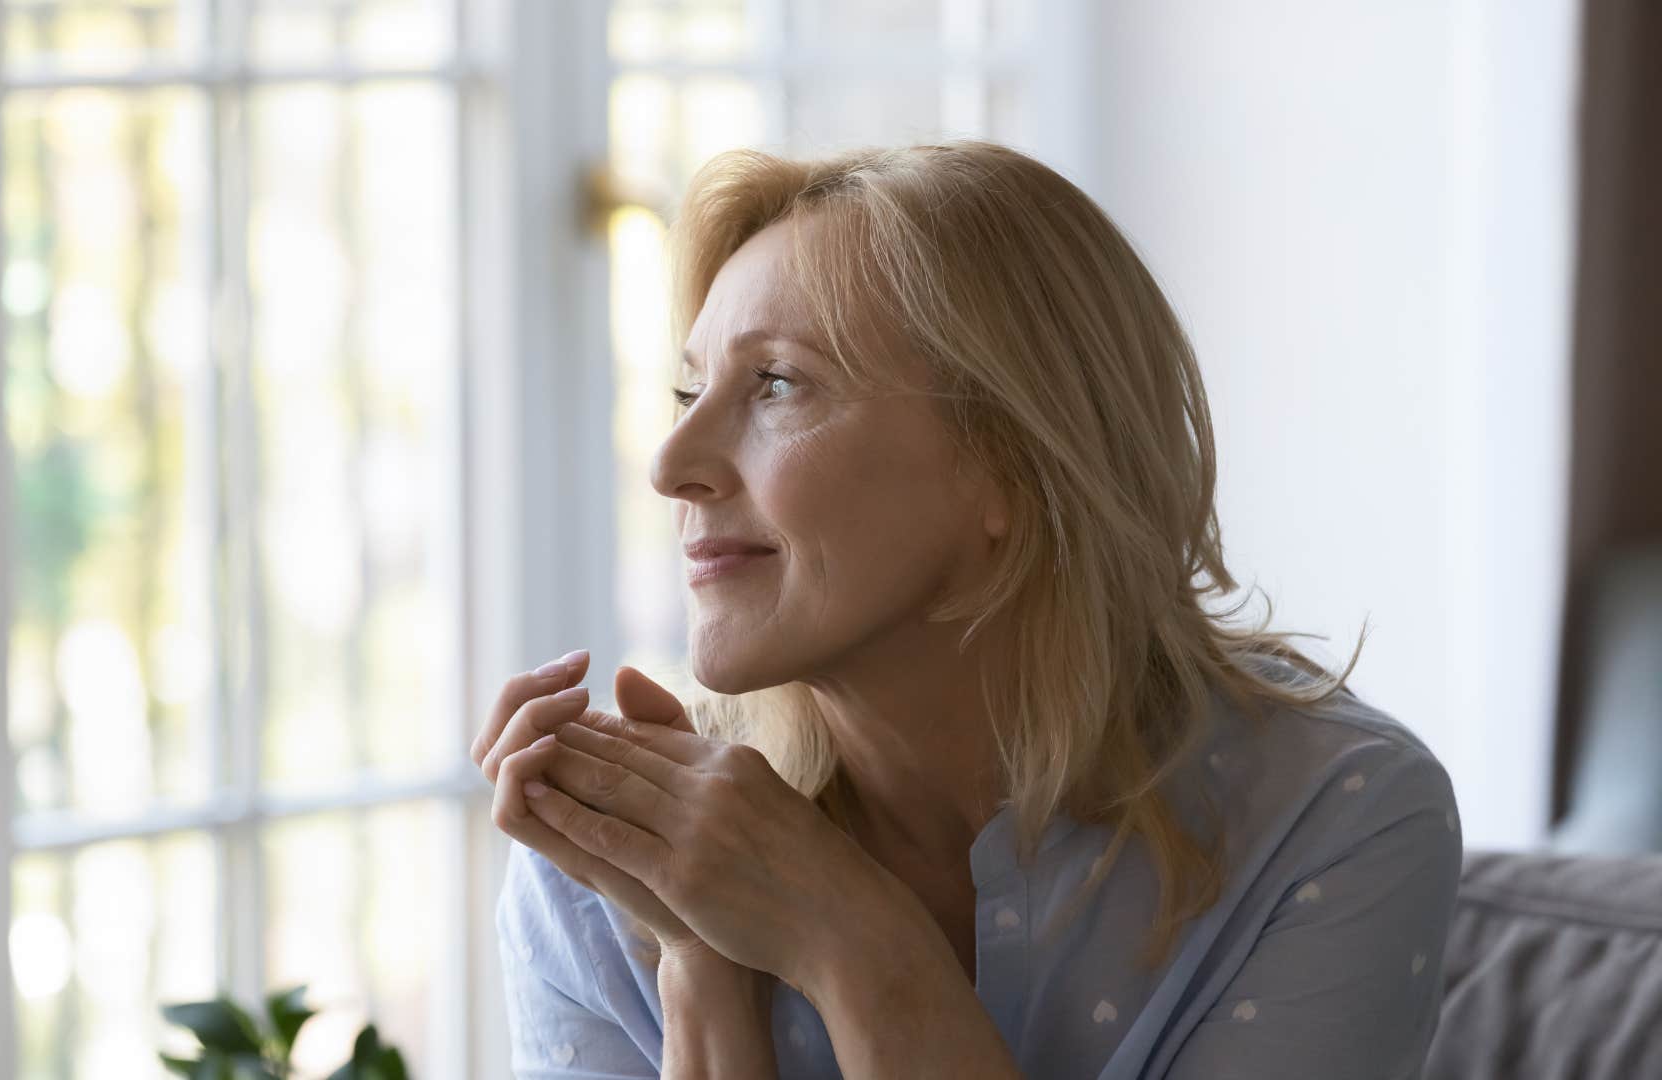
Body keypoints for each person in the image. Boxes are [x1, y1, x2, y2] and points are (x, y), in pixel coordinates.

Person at [470, 140, 1462, 1079]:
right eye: (689, 391)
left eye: (776, 383)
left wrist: (849, 938)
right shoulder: (605, 874)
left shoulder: (1333, 819)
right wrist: (699, 967)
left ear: (1012, 463)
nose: (671, 464)